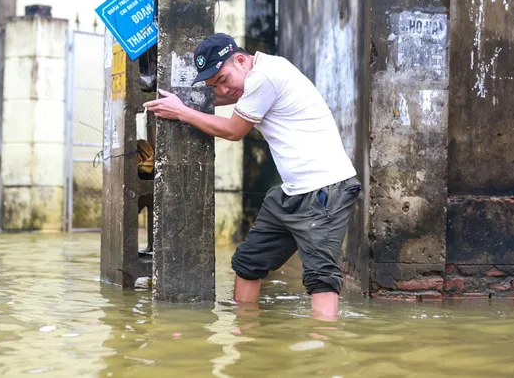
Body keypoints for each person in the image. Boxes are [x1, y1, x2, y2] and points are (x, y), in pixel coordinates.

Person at [143, 33, 361, 319]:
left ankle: (324, 353)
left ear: (242, 60)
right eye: (214, 84)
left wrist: (182, 112)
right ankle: (245, 338)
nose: (222, 89)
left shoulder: (264, 77)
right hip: (292, 192)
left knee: (321, 277)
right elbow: (218, 98)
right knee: (247, 263)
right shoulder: (258, 76)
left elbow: (233, 131)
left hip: (326, 191)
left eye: (223, 79)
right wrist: (178, 102)